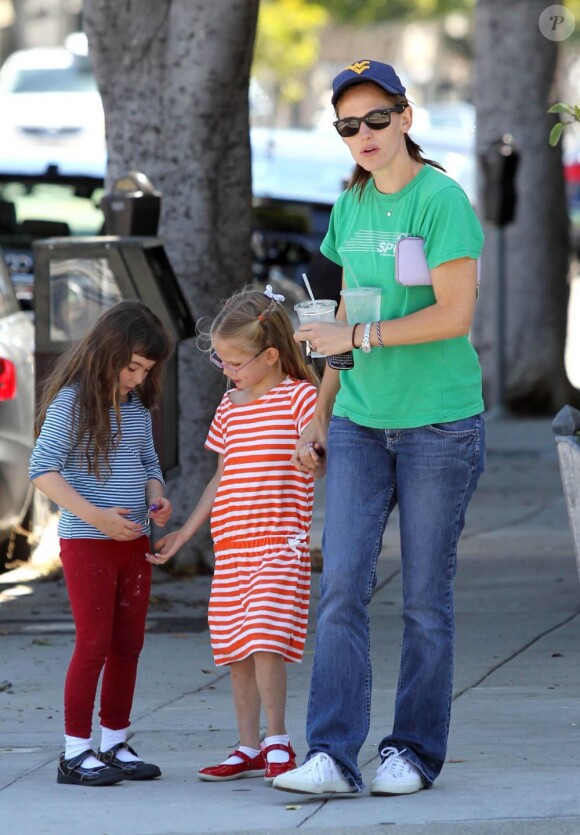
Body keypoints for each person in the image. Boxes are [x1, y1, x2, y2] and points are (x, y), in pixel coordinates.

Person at [272, 59, 486, 797]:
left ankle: (414, 752)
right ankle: (331, 752)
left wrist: (358, 339)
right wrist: (320, 414)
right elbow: (343, 323)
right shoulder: (350, 207)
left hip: (439, 427)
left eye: (375, 119)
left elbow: (453, 316)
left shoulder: (442, 200)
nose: (362, 135)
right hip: (362, 422)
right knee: (340, 589)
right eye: (347, 125)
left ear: (406, 117)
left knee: (426, 596)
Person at [149, 286, 321, 784]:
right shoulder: (230, 405)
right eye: (221, 360)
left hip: (279, 542)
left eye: (236, 361)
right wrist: (184, 535)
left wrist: (313, 455)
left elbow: (319, 452)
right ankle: (247, 746)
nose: (227, 369)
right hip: (233, 548)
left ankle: (278, 739)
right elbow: (222, 477)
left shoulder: (300, 397)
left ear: (270, 356)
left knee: (266, 638)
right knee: (236, 649)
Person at [29, 300, 174, 787]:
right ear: (106, 352)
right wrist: (95, 517)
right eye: (131, 366)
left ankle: (114, 741)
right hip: (88, 542)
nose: (136, 378)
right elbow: (42, 471)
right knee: (93, 643)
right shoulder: (73, 403)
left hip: (132, 544)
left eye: (145, 370)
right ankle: (75, 752)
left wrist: (157, 500)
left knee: (127, 645)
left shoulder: (135, 407)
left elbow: (150, 465)